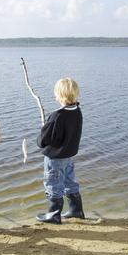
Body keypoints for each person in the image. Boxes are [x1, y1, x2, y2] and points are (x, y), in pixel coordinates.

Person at [36, 78, 85, 224]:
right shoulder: (77, 111)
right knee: (70, 181)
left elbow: (43, 140)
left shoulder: (57, 115)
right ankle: (76, 210)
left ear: (59, 95)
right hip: (68, 155)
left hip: (55, 158)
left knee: (52, 183)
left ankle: (54, 214)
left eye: (56, 93)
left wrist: (44, 129)